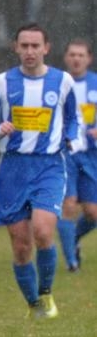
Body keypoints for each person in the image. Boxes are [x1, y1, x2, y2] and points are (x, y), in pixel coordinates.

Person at [0, 23, 85, 319]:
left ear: (46, 48)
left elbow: (74, 117)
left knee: (42, 230)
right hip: (13, 168)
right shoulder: (2, 83)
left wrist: (72, 138)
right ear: (16, 48)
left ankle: (47, 293)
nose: (30, 51)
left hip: (49, 165)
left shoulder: (62, 82)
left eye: (35, 46)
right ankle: (34, 304)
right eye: (24, 46)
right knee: (21, 246)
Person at [57, 38, 97, 272]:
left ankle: (73, 241)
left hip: (91, 156)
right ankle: (72, 261)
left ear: (88, 58)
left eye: (81, 55)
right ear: (66, 57)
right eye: (72, 54)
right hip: (66, 155)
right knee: (69, 205)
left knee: (93, 213)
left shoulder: (95, 84)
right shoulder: (59, 83)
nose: (76, 59)